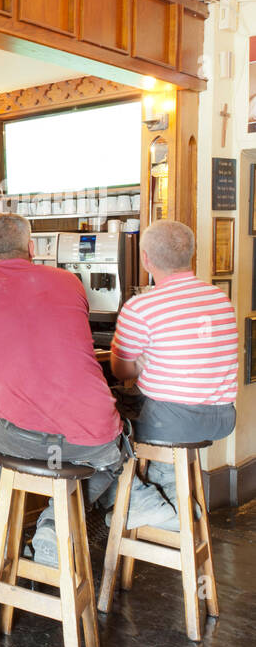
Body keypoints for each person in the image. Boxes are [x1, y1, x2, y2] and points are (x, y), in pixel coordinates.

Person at [0, 215, 125, 566]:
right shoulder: (70, 281)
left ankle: (0, 529)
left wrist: (2, 361)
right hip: (96, 436)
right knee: (112, 460)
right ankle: (54, 525)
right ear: (33, 249)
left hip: (18, 434)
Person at [109, 220, 238, 529]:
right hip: (222, 418)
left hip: (172, 423)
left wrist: (140, 362)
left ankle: (150, 499)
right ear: (191, 255)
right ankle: (168, 494)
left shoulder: (141, 307)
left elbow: (120, 370)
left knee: (99, 422)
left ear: (145, 259)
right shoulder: (220, 299)